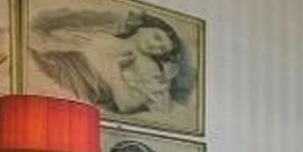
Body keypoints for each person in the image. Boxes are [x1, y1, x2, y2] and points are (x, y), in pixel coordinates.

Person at [27, 9, 191, 117]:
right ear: (143, 27)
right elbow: (50, 42)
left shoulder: (150, 69)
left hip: (76, 102)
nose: (156, 46)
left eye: (162, 50)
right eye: (157, 37)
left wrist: (115, 71)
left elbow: (126, 105)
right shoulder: (101, 37)